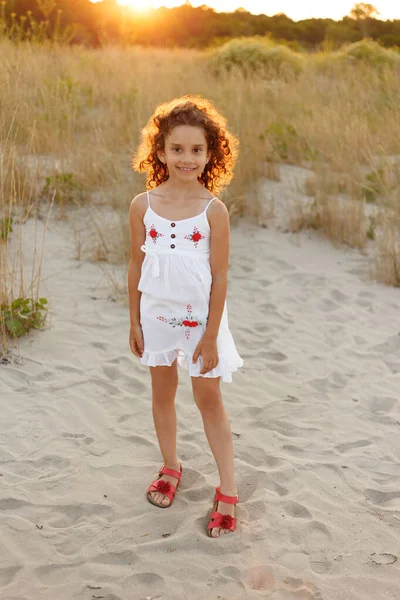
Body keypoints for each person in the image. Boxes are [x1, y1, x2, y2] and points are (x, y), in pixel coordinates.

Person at [128, 95, 243, 538]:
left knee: (208, 398)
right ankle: (171, 466)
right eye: (177, 149)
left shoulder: (214, 211)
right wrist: (134, 320)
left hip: (201, 322)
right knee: (162, 391)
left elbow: (219, 278)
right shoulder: (143, 204)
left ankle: (228, 489)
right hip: (155, 314)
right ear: (159, 151)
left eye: (197, 150)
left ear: (211, 154)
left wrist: (212, 337)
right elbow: (136, 266)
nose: (187, 158)